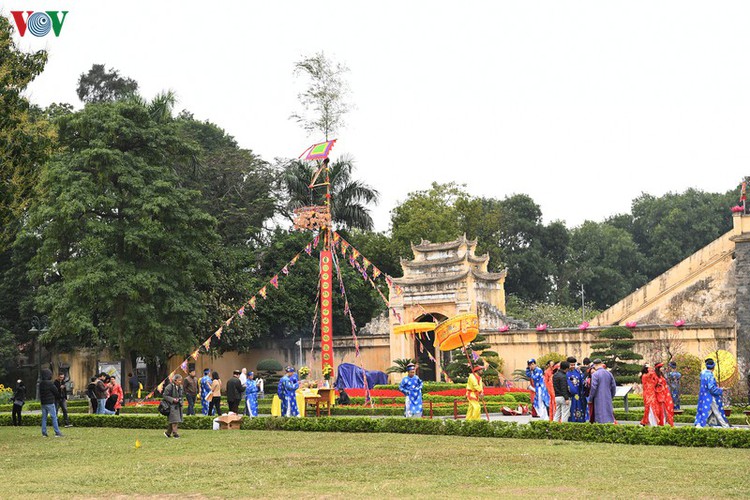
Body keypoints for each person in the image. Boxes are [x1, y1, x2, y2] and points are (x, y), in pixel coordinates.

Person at [694, 358, 730, 428]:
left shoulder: (703, 373)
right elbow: (711, 388)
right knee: (717, 411)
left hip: (703, 395)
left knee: (704, 410)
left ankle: (699, 424)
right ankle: (725, 425)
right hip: (711, 397)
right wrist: (721, 390)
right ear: (714, 367)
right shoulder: (710, 375)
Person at [588, 359, 617, 423]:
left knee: (600, 415)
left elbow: (593, 388)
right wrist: (611, 396)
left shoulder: (595, 374)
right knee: (609, 414)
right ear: (601, 364)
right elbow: (613, 387)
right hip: (607, 397)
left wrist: (590, 399)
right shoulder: (609, 373)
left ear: (595, 365)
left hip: (598, 398)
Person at [39, 369, 63, 437]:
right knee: (54, 417)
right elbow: (55, 392)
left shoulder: (41, 383)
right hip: (50, 402)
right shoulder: (50, 383)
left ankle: (44, 432)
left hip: (43, 403)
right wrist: (59, 396)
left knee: (44, 418)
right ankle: (57, 432)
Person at [162, 374, 184, 438]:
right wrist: (173, 399)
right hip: (171, 406)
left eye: (181, 380)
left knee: (174, 420)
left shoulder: (181, 387)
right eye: (179, 380)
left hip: (178, 405)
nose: (180, 381)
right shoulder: (169, 387)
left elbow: (181, 395)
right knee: (174, 420)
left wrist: (180, 400)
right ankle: (175, 433)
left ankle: (167, 433)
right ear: (175, 380)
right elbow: (165, 395)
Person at [566, 357, 587, 422]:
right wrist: (573, 392)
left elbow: (582, 381)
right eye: (571, 365)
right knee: (571, 409)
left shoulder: (578, 372)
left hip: (579, 394)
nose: (572, 366)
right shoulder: (566, 373)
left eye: (573, 365)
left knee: (579, 407)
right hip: (570, 395)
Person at [654, 363, 674, 427]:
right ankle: (661, 421)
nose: (662, 368)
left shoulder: (661, 375)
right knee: (660, 407)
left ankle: (666, 421)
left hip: (664, 392)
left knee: (667, 406)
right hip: (659, 393)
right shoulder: (655, 375)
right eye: (661, 367)